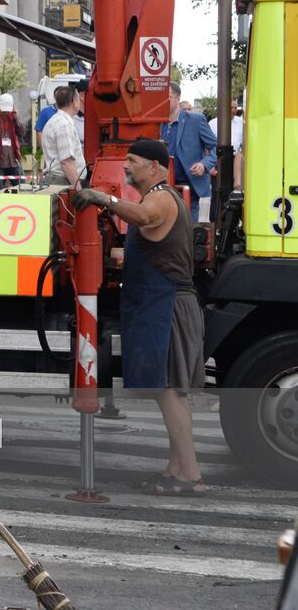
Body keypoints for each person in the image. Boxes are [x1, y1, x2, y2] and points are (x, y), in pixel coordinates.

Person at [73, 139, 206, 495]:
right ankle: (176, 469)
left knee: (170, 392)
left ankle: (189, 473)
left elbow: (145, 217)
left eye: (132, 161)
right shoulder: (160, 197)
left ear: (155, 168)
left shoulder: (160, 198)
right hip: (162, 304)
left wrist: (104, 199)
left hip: (168, 307)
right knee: (171, 391)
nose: (126, 166)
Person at [160, 81, 216, 221]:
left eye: (168, 97)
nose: (164, 101)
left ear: (178, 98)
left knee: (188, 228)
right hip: (163, 186)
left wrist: (204, 164)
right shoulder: (156, 122)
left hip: (189, 186)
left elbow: (216, 147)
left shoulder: (196, 120)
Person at [41, 85, 84, 188]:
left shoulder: (56, 120)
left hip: (60, 180)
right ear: (73, 101)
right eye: (78, 99)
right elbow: (66, 161)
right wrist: (78, 189)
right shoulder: (63, 124)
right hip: (63, 182)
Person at [0, 93, 24, 191]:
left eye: (8, 110)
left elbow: (22, 133)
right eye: (3, 110)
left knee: (22, 188)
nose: (6, 113)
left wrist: (17, 117)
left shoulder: (12, 116)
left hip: (13, 159)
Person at [208, 98, 243, 191]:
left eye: (235, 108)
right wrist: (210, 166)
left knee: (236, 190)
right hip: (219, 160)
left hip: (237, 160)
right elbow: (207, 146)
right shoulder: (213, 123)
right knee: (218, 191)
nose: (233, 110)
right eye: (231, 108)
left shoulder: (241, 122)